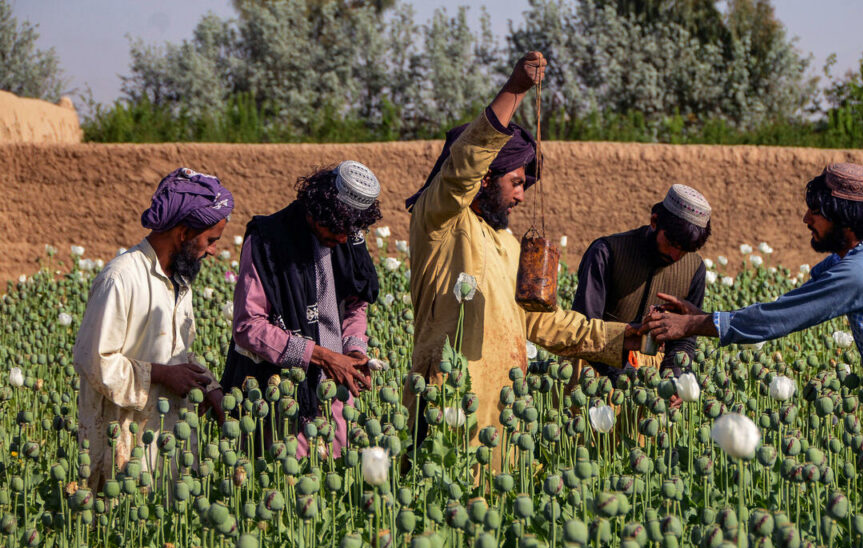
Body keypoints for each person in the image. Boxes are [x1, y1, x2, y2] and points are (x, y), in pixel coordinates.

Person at [642, 163, 863, 457]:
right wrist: (695, 316)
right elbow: (798, 295)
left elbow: (781, 317)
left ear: (845, 220)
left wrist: (692, 325)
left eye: (816, 211)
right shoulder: (861, 261)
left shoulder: (861, 273)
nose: (806, 218)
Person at [403, 51, 635, 447]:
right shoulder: (439, 222)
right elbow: (462, 167)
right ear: (484, 179)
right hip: (447, 400)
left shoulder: (509, 246)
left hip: (502, 410)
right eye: (516, 182)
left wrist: (623, 337)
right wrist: (515, 90)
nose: (522, 196)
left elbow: (542, 321)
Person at [74, 167, 234, 489]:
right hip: (121, 443)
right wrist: (160, 375)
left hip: (168, 438)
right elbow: (94, 361)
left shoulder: (179, 280)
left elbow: (178, 355)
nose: (215, 250)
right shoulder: (121, 278)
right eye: (211, 240)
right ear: (184, 233)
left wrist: (211, 387)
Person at [218, 161, 382, 459]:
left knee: (334, 485)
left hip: (336, 397)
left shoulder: (347, 239)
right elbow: (247, 326)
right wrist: (321, 356)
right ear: (314, 212)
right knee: (287, 487)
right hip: (280, 398)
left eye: (350, 231)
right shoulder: (267, 242)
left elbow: (355, 304)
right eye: (335, 230)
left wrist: (354, 352)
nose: (342, 239)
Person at [573, 184, 711, 380]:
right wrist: (625, 375)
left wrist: (674, 378)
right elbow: (583, 328)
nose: (675, 255)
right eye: (671, 244)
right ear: (654, 221)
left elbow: (685, 338)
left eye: (685, 250)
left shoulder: (694, 269)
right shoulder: (606, 253)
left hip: (650, 378)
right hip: (593, 373)